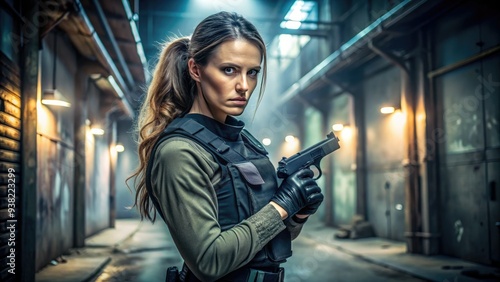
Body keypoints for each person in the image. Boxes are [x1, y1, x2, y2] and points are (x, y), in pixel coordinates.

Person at [129, 11, 324, 282]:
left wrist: (296, 214)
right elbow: (209, 261)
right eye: (229, 70)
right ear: (196, 69)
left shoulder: (243, 143)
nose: (244, 86)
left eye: (252, 72)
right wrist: (281, 206)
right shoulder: (180, 152)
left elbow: (265, 239)